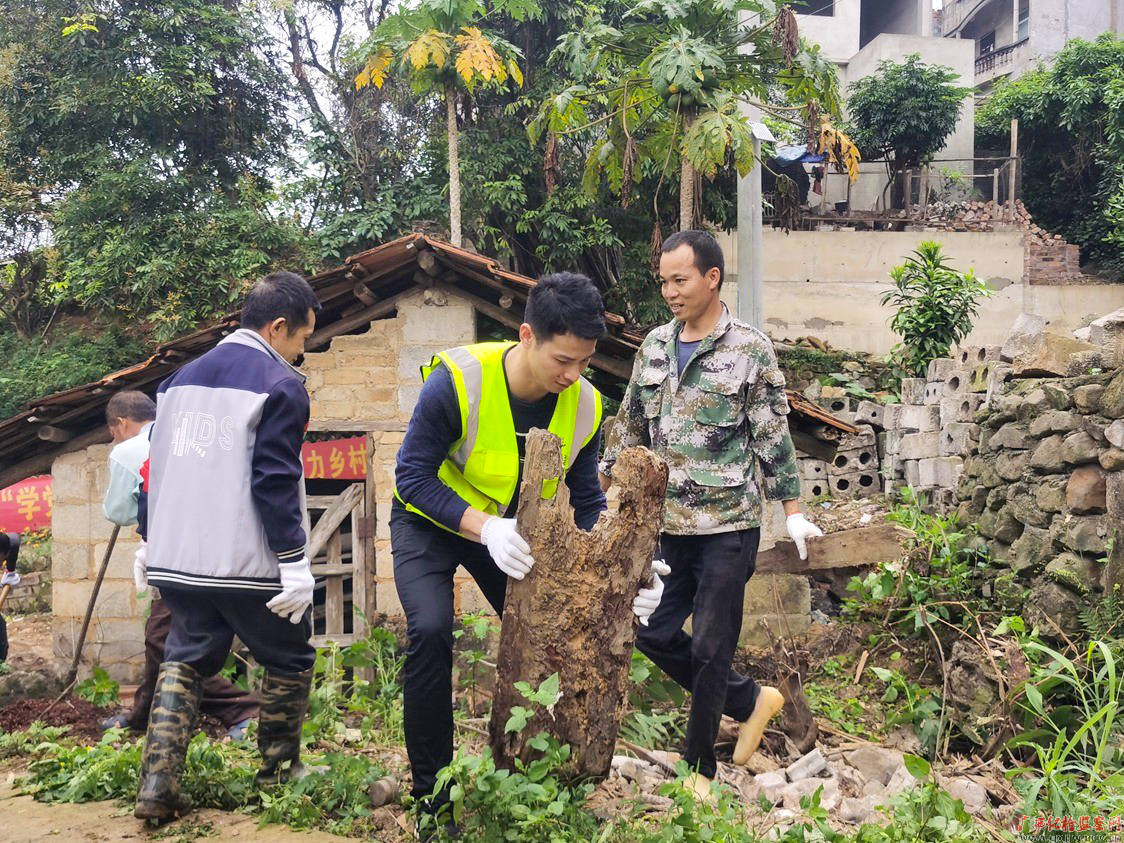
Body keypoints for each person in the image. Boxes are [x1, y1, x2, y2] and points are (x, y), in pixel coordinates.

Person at [392, 272, 667, 838]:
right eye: (563, 360)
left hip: (513, 538)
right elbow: (412, 477)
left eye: (584, 362)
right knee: (431, 630)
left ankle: (538, 781)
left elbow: (588, 498)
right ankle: (431, 801)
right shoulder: (457, 382)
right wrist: (484, 526)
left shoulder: (586, 405)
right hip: (432, 523)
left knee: (558, 631)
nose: (572, 376)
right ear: (526, 335)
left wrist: (633, 566)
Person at [599, 230, 823, 800]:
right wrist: (608, 487)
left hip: (729, 525)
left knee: (709, 648)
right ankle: (750, 700)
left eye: (681, 280)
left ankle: (698, 771)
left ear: (712, 278)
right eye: (664, 282)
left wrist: (792, 510)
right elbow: (629, 428)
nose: (670, 292)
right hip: (667, 527)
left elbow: (772, 436)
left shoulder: (750, 349)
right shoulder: (652, 346)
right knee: (649, 629)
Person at [134, 271, 321, 823]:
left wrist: (149, 539)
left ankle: (157, 783)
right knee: (289, 657)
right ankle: (279, 772)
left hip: (178, 560)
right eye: (303, 339)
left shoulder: (177, 382)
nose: (302, 352)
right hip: (245, 562)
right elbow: (273, 477)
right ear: (280, 326)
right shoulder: (281, 385)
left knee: (184, 657)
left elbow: (155, 469)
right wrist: (293, 561)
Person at [98, 390, 258, 739]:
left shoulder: (127, 451)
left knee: (166, 641)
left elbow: (118, 512)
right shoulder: (189, 436)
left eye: (114, 431)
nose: (116, 438)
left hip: (173, 555)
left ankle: (243, 709)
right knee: (161, 637)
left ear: (122, 423)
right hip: (219, 547)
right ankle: (144, 713)